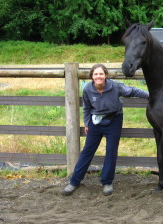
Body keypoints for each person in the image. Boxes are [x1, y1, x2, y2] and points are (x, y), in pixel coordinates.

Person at [63, 63, 149, 196]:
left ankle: (107, 182)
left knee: (111, 151)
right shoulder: (87, 89)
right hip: (95, 122)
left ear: (106, 75)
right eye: (96, 74)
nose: (98, 76)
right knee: (87, 151)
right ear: (92, 76)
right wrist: (86, 123)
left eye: (101, 74)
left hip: (114, 120)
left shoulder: (115, 86)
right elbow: (86, 108)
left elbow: (132, 91)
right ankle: (74, 181)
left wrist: (151, 95)